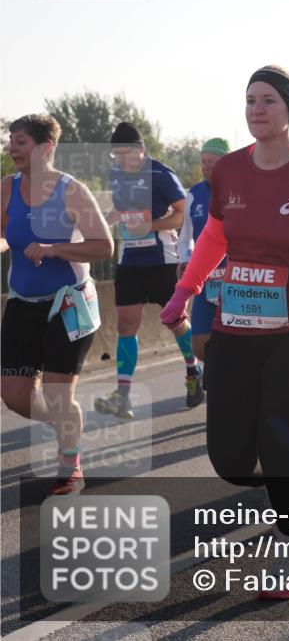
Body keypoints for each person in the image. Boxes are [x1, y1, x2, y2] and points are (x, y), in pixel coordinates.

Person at [159, 65, 289, 599]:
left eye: (267, 100)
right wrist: (186, 290)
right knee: (228, 458)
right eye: (250, 100)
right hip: (238, 326)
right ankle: (288, 486)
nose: (256, 109)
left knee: (277, 440)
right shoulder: (227, 171)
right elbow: (213, 241)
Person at [1, 114, 114, 495]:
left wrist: (53, 249)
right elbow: (3, 235)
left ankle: (71, 464)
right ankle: (66, 419)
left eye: (21, 142)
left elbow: (103, 246)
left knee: (56, 393)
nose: (13, 148)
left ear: (46, 147)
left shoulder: (71, 191)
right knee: (13, 395)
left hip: (68, 302)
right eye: (11, 141)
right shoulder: (6, 188)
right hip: (22, 300)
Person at [93, 123, 195, 419]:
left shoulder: (161, 175)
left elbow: (182, 215)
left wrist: (149, 226)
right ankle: (123, 396)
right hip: (130, 261)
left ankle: (193, 371)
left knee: (175, 321)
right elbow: (119, 210)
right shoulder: (116, 175)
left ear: (141, 150)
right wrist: (101, 225)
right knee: (126, 325)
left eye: (127, 154)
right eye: (117, 156)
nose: (122, 161)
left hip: (162, 259)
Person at [177, 137, 230, 401]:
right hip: (205, 278)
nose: (207, 166)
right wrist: (184, 259)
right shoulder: (194, 194)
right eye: (204, 162)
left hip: (236, 279)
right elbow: (185, 234)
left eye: (213, 161)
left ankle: (228, 385)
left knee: (235, 340)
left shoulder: (239, 190)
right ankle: (203, 372)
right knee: (200, 343)